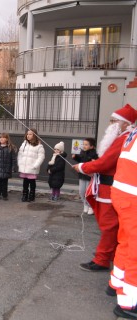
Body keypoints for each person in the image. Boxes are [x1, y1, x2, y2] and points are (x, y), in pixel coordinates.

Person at [72, 104, 137, 272]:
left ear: (124, 123)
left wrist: (83, 167)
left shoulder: (124, 138)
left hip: (111, 188)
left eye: (113, 121)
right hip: (110, 186)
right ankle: (108, 253)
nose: (110, 124)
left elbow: (105, 163)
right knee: (109, 225)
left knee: (108, 226)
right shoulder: (124, 137)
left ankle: (102, 259)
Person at [109, 125, 137, 319]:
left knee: (126, 243)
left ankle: (116, 283)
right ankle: (129, 303)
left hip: (124, 194)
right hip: (132, 195)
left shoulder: (133, 132)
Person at [18, 128, 45, 202]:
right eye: (27, 134)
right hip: (24, 167)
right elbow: (20, 154)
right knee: (25, 182)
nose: (28, 136)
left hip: (32, 168)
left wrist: (35, 165)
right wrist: (20, 162)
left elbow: (41, 157)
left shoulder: (39, 146)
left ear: (34, 135)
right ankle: (24, 195)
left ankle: (32, 195)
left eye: (30, 134)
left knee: (32, 182)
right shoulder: (24, 144)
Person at [72, 138, 98, 214]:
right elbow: (80, 160)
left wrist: (94, 161)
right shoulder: (82, 152)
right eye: (83, 144)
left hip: (90, 176)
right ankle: (85, 204)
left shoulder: (94, 154)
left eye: (86, 144)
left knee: (88, 192)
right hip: (82, 175)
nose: (84, 146)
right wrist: (76, 157)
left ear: (92, 146)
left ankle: (91, 206)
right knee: (81, 191)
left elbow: (95, 164)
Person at [0, 133, 17, 200]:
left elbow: (13, 159)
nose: (1, 139)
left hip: (6, 168)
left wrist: (13, 168)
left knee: (5, 183)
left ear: (7, 139)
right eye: (0, 137)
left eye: (3, 137)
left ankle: (4, 195)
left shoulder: (10, 148)